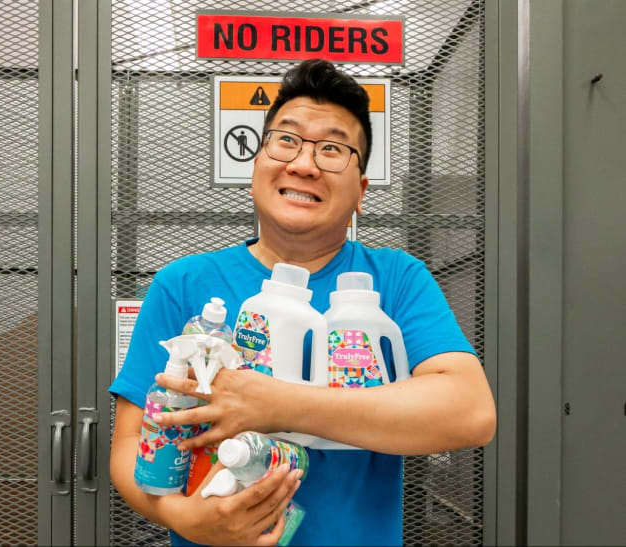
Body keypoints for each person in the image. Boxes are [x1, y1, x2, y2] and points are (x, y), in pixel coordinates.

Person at [108, 59, 497, 546]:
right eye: (286, 140)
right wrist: (183, 518)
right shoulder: (182, 284)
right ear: (256, 167)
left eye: (333, 149)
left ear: (361, 191)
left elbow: (470, 412)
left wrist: (275, 405)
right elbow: (128, 445)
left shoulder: (396, 279)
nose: (304, 164)